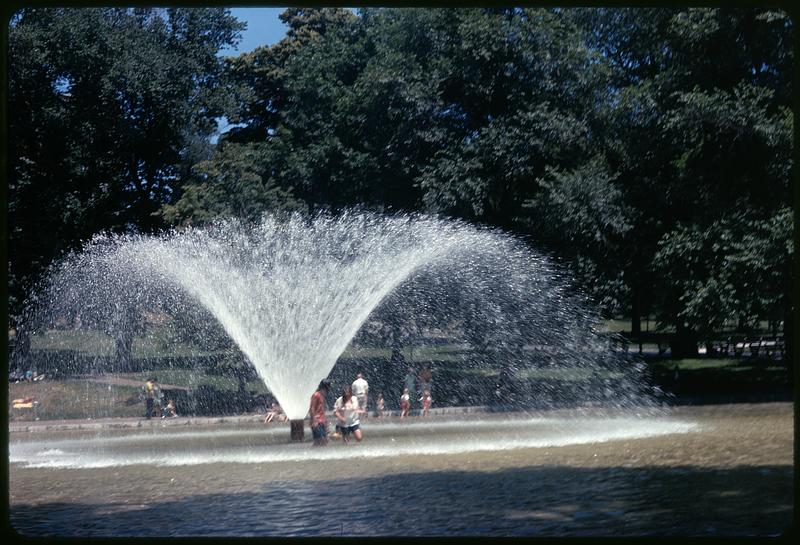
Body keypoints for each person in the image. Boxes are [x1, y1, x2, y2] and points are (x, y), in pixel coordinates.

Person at [309, 380, 330, 446]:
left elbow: (322, 409)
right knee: (319, 440)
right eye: (328, 387)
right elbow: (312, 408)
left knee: (324, 441)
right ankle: (312, 453)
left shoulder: (322, 395)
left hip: (322, 421)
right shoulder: (316, 395)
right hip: (317, 421)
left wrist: (325, 421)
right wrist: (314, 420)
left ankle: (318, 454)